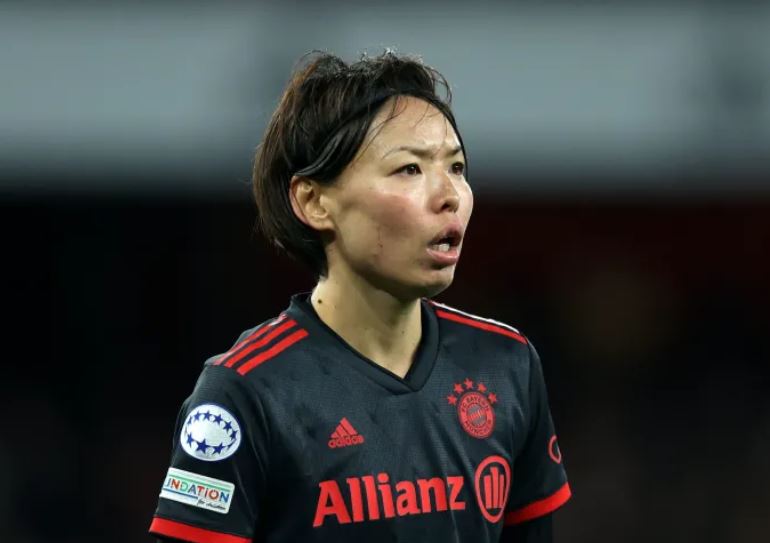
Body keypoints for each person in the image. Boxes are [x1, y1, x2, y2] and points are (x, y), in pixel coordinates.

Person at [149, 50, 571, 543]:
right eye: (409, 169)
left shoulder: (506, 364)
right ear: (314, 201)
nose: (450, 195)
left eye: (457, 167)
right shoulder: (243, 394)